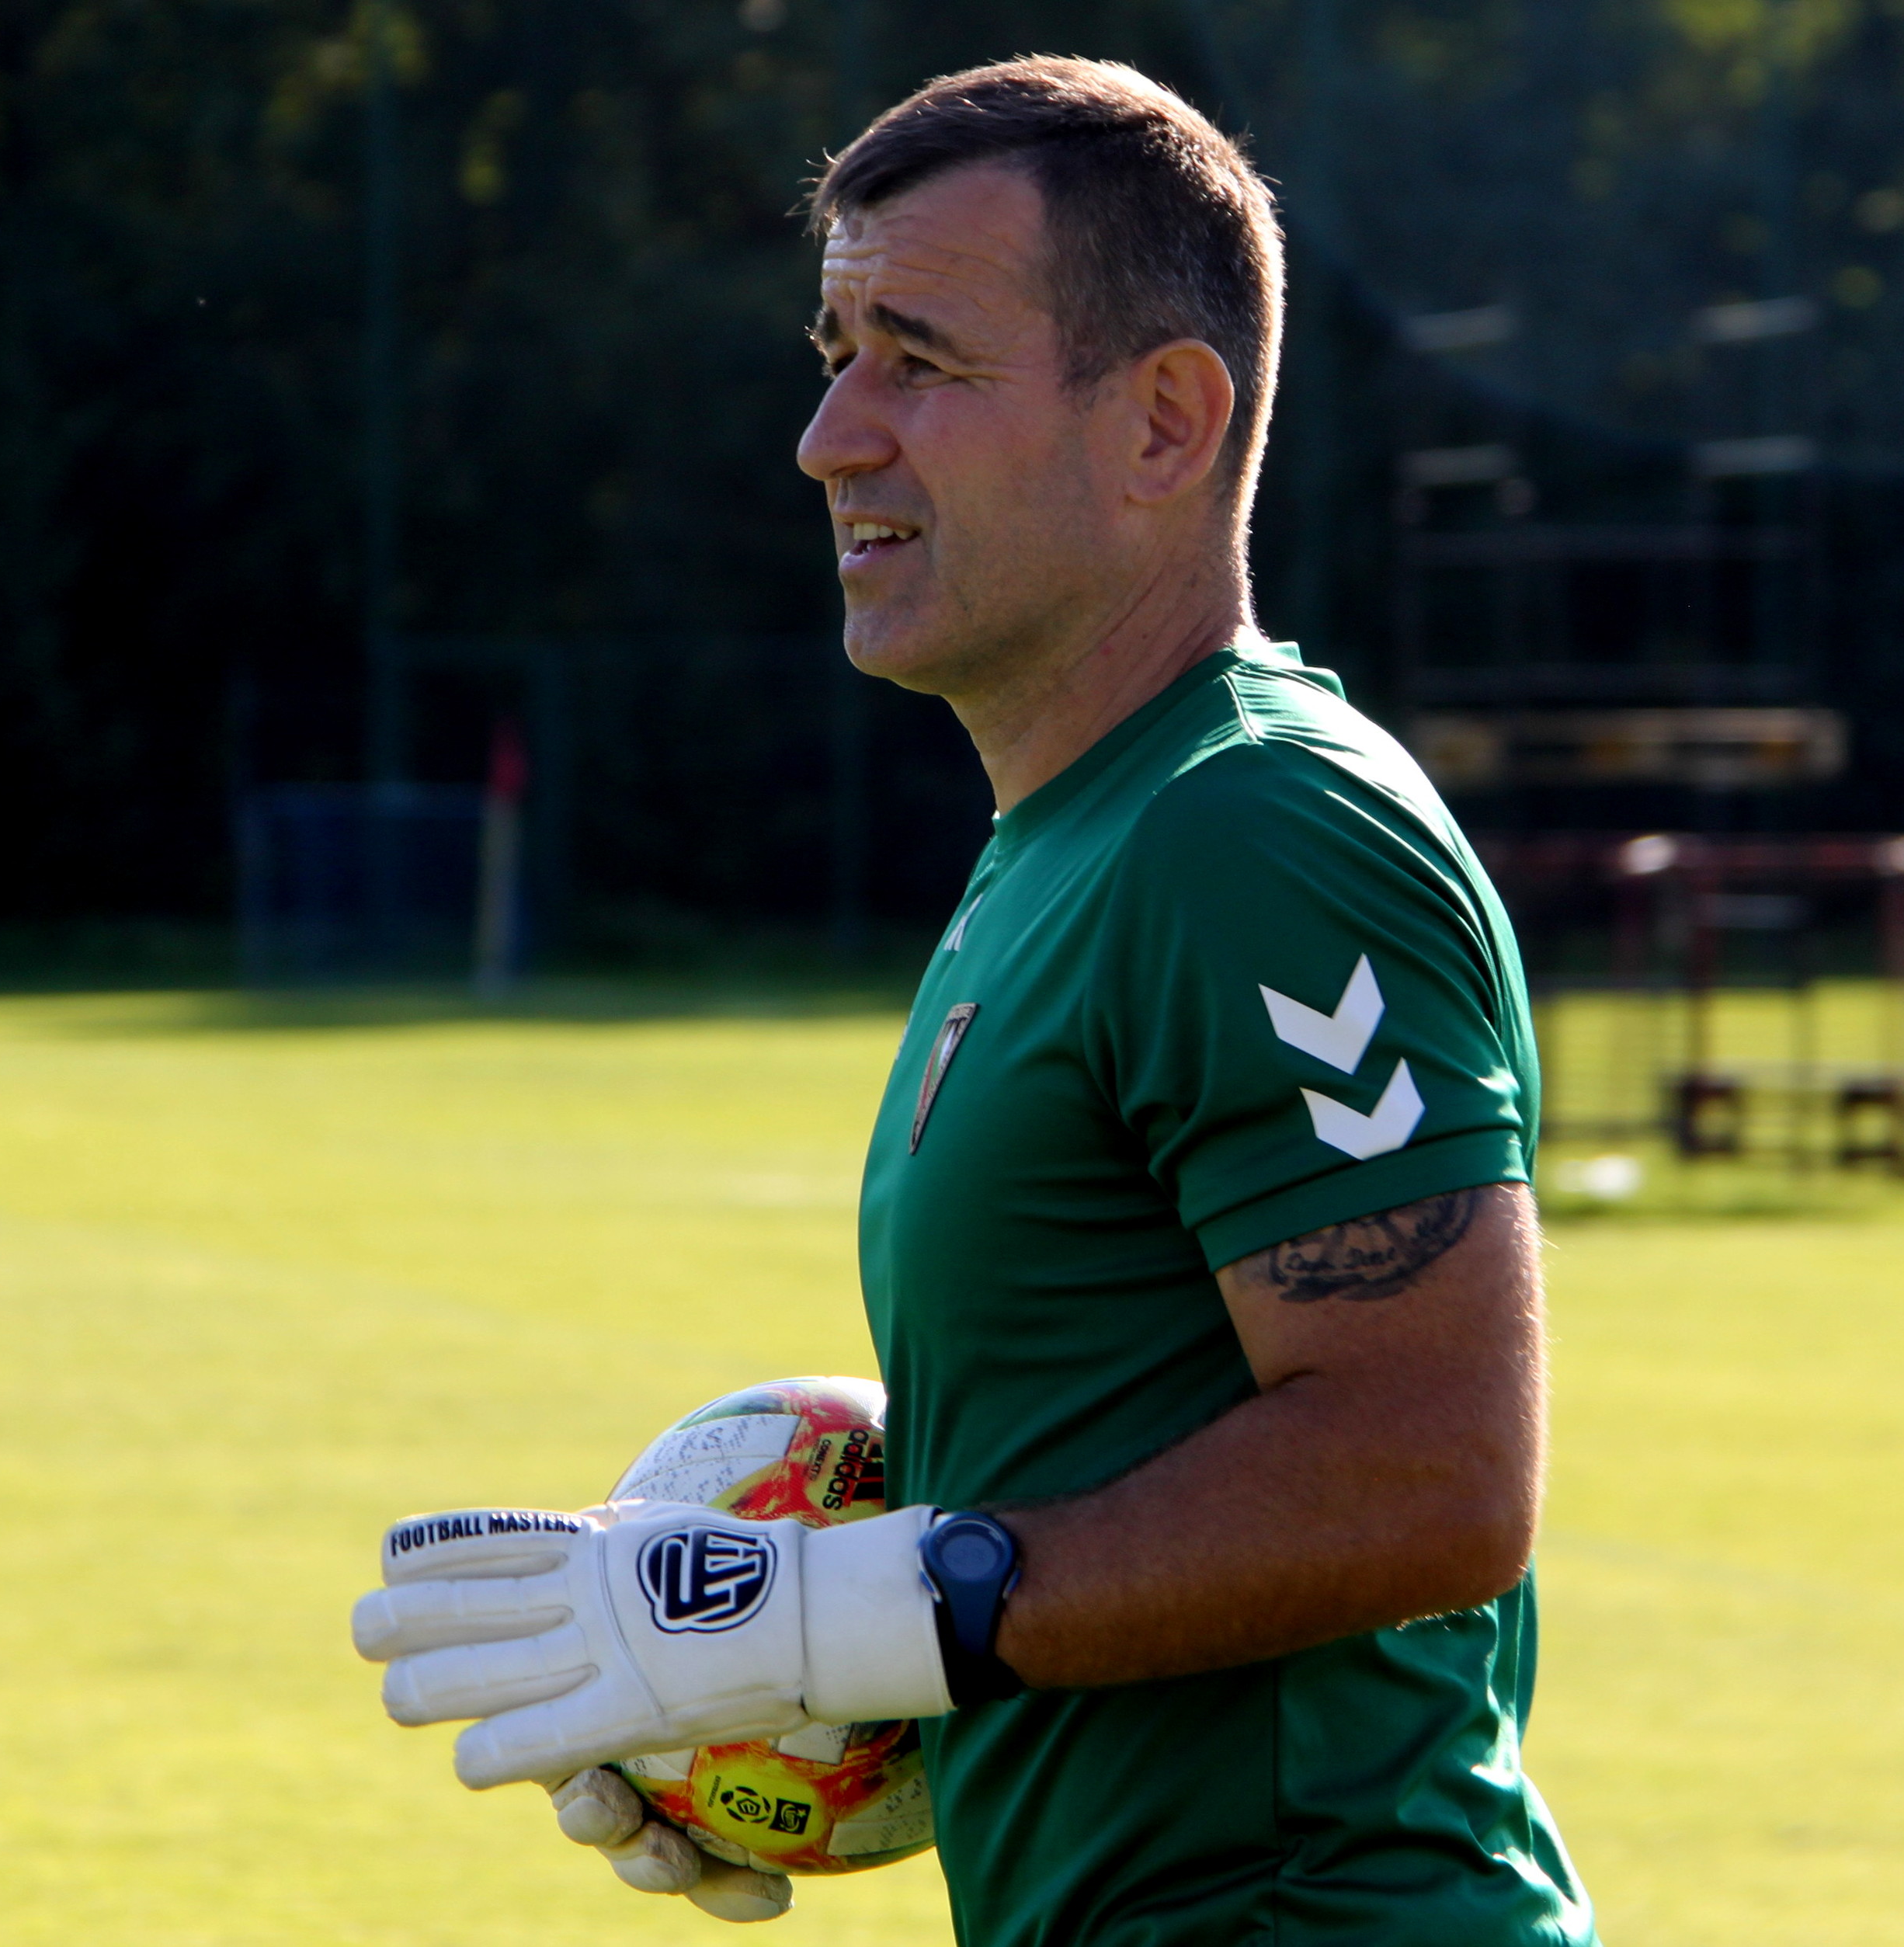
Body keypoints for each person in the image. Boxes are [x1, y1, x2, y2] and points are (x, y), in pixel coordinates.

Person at [353, 56, 1594, 1947]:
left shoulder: (1256, 828)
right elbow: (1113, 1485)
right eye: (833, 353)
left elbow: (1426, 1476)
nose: (828, 439)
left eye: (917, 361)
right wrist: (764, 1691)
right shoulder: (1074, 841)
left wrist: (845, 1614)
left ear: (1164, 422)